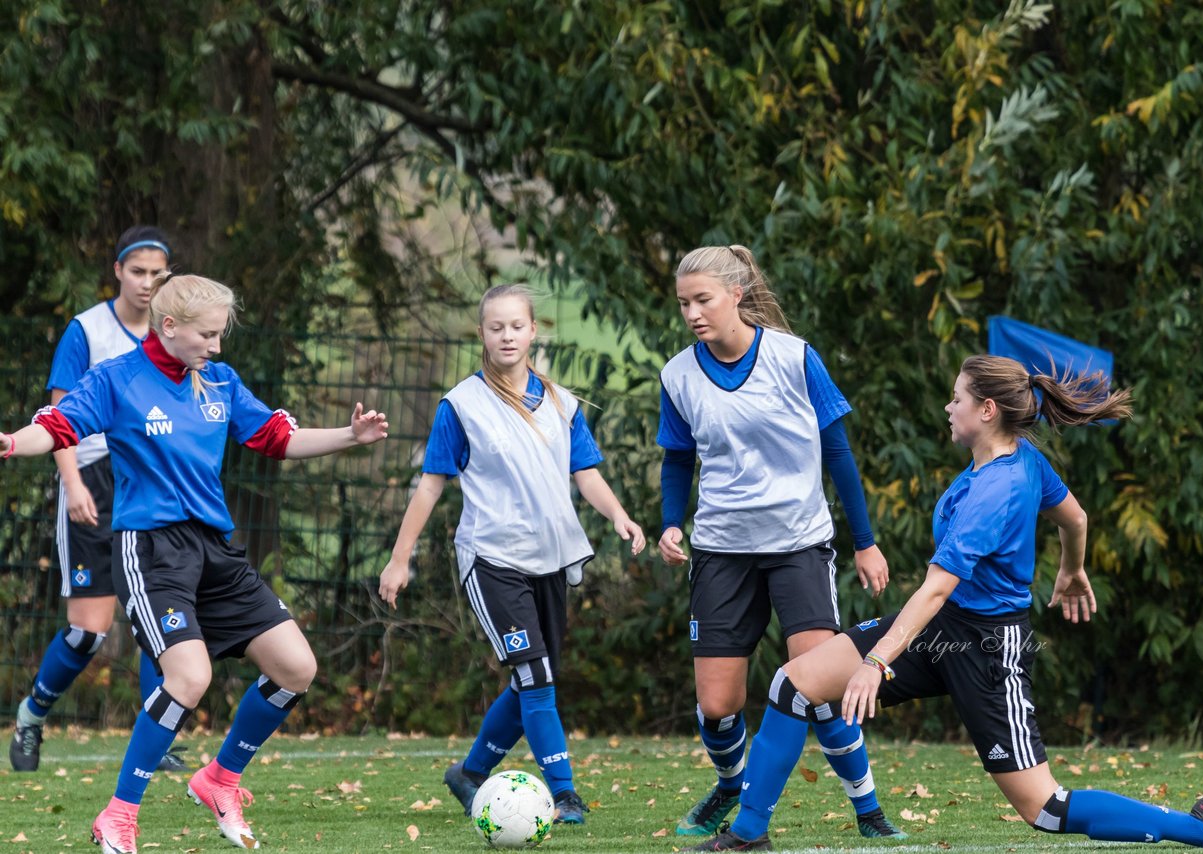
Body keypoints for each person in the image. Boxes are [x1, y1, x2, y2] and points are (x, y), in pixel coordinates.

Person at [685, 355, 1203, 851]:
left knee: (1046, 810)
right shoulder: (1013, 460)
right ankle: (749, 832)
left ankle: (1201, 830)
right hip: (945, 626)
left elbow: (936, 586)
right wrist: (1071, 569)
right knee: (794, 684)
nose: (948, 407)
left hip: (988, 649)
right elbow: (1076, 517)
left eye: (956, 398)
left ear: (986, 410)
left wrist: (876, 660)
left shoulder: (997, 489)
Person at [0, 274, 389, 854]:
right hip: (152, 549)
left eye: (220, 334)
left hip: (216, 550)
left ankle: (220, 779)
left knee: (295, 668)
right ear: (170, 327)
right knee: (190, 677)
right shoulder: (117, 379)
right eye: (207, 334)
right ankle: (119, 815)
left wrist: (350, 437)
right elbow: (55, 430)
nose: (217, 345)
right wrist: (9, 442)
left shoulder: (220, 382)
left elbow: (278, 438)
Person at [657, 245, 903, 839]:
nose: (692, 313)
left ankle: (868, 811)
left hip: (799, 544)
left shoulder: (795, 358)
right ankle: (729, 785)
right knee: (718, 706)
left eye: (703, 300)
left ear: (736, 295)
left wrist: (865, 542)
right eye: (684, 303)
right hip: (720, 549)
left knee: (817, 687)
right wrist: (670, 522)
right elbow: (677, 459)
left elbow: (838, 453)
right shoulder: (677, 374)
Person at [379, 283, 646, 826]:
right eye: (495, 327)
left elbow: (585, 472)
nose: (506, 335)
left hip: (552, 558)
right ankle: (565, 793)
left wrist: (618, 515)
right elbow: (430, 486)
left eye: (516, 326)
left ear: (532, 331)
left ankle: (471, 773)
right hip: (493, 558)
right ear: (481, 333)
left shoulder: (560, 402)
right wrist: (399, 558)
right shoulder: (461, 405)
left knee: (532, 678)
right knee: (536, 677)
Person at [10, 226, 188, 774]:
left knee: (160, 620)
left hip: (149, 483)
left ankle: (154, 742)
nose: (148, 283)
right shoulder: (86, 330)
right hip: (91, 478)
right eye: (138, 272)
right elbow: (59, 414)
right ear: (117, 271)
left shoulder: (174, 334)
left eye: (158, 274)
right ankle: (32, 716)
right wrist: (73, 484)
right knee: (90, 630)